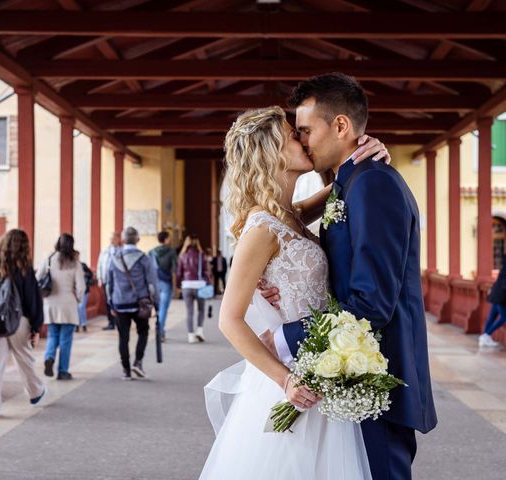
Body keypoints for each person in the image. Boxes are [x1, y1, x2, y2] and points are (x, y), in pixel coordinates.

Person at [200, 105, 397, 479]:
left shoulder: (289, 214)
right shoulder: (262, 228)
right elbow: (229, 319)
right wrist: (284, 380)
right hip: (295, 378)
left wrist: (366, 153)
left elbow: (341, 188)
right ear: (272, 151)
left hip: (321, 366)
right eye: (294, 135)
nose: (303, 140)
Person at [0, 229, 46, 419]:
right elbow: (33, 299)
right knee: (24, 357)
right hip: (17, 320)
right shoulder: (23, 266)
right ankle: (35, 391)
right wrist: (36, 326)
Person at [106, 227, 159, 380]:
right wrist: (157, 304)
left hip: (120, 303)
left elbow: (109, 283)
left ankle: (126, 371)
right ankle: (138, 362)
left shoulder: (114, 258)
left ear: (123, 239)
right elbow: (152, 283)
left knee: (123, 337)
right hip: (140, 304)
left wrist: (111, 303)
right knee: (143, 332)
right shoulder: (143, 258)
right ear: (138, 239)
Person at [37, 233, 86, 380]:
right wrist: (77, 299)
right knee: (66, 339)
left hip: (51, 303)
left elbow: (37, 278)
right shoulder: (75, 263)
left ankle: (49, 357)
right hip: (68, 304)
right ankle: (63, 371)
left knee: (53, 335)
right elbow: (81, 287)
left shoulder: (49, 260)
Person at [176, 235, 210, 344]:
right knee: (201, 309)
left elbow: (179, 273)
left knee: (189, 312)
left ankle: (191, 336)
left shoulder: (182, 255)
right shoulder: (202, 255)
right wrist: (208, 283)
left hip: (187, 285)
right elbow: (206, 272)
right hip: (200, 285)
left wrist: (178, 285)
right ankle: (199, 331)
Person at [149, 231, 178, 341]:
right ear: (165, 239)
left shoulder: (151, 252)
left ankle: (159, 329)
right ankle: (160, 331)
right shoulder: (171, 252)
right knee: (163, 308)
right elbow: (174, 271)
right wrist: (175, 287)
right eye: (169, 238)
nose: (170, 240)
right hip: (166, 282)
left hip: (154, 283)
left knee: (157, 308)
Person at [97, 231, 122, 330]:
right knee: (108, 301)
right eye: (110, 238)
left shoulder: (121, 251)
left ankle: (118, 321)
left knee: (117, 300)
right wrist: (99, 278)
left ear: (118, 239)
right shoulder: (105, 251)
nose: (112, 240)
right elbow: (100, 264)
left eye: (114, 238)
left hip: (118, 280)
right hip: (106, 279)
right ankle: (111, 322)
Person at [479, 261, 506, 347]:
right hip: (501, 295)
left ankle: (484, 338)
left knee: (492, 316)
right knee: (504, 318)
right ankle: (486, 335)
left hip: (496, 292)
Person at [77, 260, 95, 333]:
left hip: (84, 289)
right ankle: (77, 325)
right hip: (75, 290)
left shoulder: (83, 265)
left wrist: (84, 274)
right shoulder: (70, 266)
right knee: (76, 308)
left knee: (81, 307)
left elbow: (90, 274)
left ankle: (83, 324)